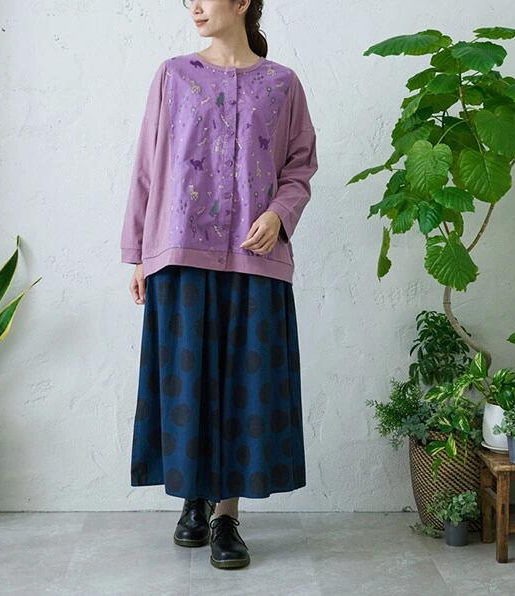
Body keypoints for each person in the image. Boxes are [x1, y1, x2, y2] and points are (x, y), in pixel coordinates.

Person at [121, 0, 318, 570]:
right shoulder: (173, 75)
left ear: (242, 2)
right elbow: (147, 165)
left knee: (243, 390)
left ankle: (226, 515)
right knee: (188, 386)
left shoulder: (283, 84)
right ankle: (193, 497)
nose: (195, 6)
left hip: (255, 260)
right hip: (179, 252)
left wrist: (280, 213)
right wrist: (137, 253)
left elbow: (301, 165)